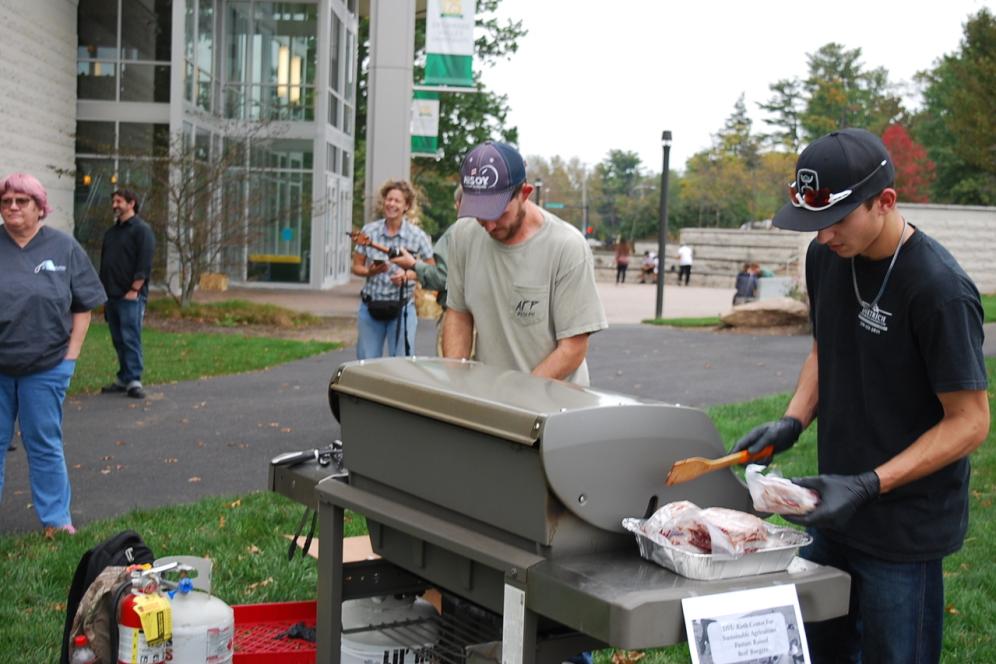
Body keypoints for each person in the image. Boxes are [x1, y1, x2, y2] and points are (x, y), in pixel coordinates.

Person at [729, 128, 989, 663]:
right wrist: (793, 421)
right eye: (814, 224)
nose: (823, 238)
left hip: (904, 529)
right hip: (829, 510)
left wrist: (872, 484)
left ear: (885, 201)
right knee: (820, 652)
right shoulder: (827, 257)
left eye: (835, 221)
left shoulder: (939, 289)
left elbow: (969, 422)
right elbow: (826, 351)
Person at [442, 141, 607, 386]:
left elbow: (573, 347)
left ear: (525, 193)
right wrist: (456, 383)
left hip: (555, 403)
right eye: (479, 213)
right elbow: (459, 313)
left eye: (497, 213)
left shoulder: (566, 247)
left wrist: (518, 396)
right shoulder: (462, 235)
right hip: (491, 396)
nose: (488, 225)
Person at [0, 173, 106, 537]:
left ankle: (56, 521)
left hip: (45, 367)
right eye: (6, 201)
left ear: (39, 207)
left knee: (43, 444)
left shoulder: (63, 248)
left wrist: (70, 358)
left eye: (21, 201)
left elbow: (84, 306)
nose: (12, 207)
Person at [352, 180, 434, 359]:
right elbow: (356, 266)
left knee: (402, 365)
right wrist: (370, 272)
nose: (391, 204)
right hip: (371, 308)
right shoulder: (369, 232)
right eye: (389, 199)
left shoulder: (417, 236)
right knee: (366, 366)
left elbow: (431, 269)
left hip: (402, 309)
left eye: (397, 201)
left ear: (407, 206)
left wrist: (408, 275)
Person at [99, 189, 156, 399]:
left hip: (131, 296)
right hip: (111, 295)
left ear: (132, 203)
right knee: (118, 339)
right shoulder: (111, 233)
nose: (115, 204)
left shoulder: (142, 230)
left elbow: (145, 263)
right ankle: (123, 378)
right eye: (113, 201)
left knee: (130, 337)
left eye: (119, 201)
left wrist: (134, 289)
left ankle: (134, 380)